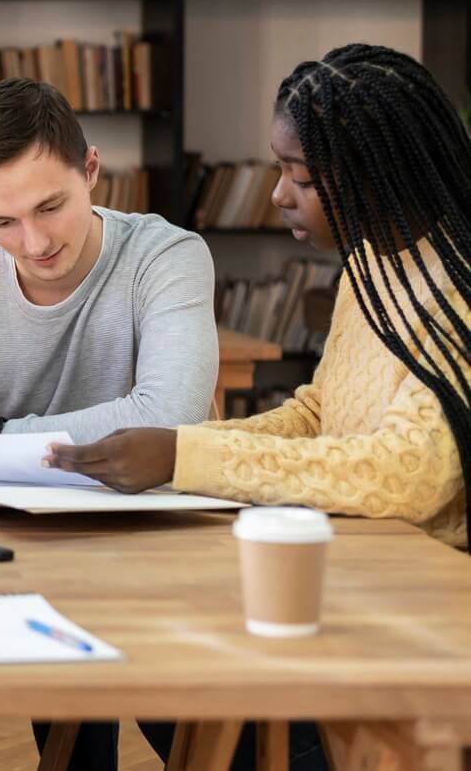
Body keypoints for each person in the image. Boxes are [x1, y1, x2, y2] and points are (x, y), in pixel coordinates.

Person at [0, 77, 219, 771]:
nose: (35, 241)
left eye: (52, 206)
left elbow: (166, 418)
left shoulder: (167, 257)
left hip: (164, 542)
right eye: (1, 222)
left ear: (92, 171)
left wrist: (0, 436)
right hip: (31, 548)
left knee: (201, 736)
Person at [49, 44, 468, 550]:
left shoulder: (457, 293)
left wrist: (186, 460)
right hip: (351, 551)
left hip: (428, 581)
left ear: (385, 174)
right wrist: (181, 446)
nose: (278, 196)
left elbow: (408, 477)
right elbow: (319, 416)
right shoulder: (369, 265)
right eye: (280, 169)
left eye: (304, 178)